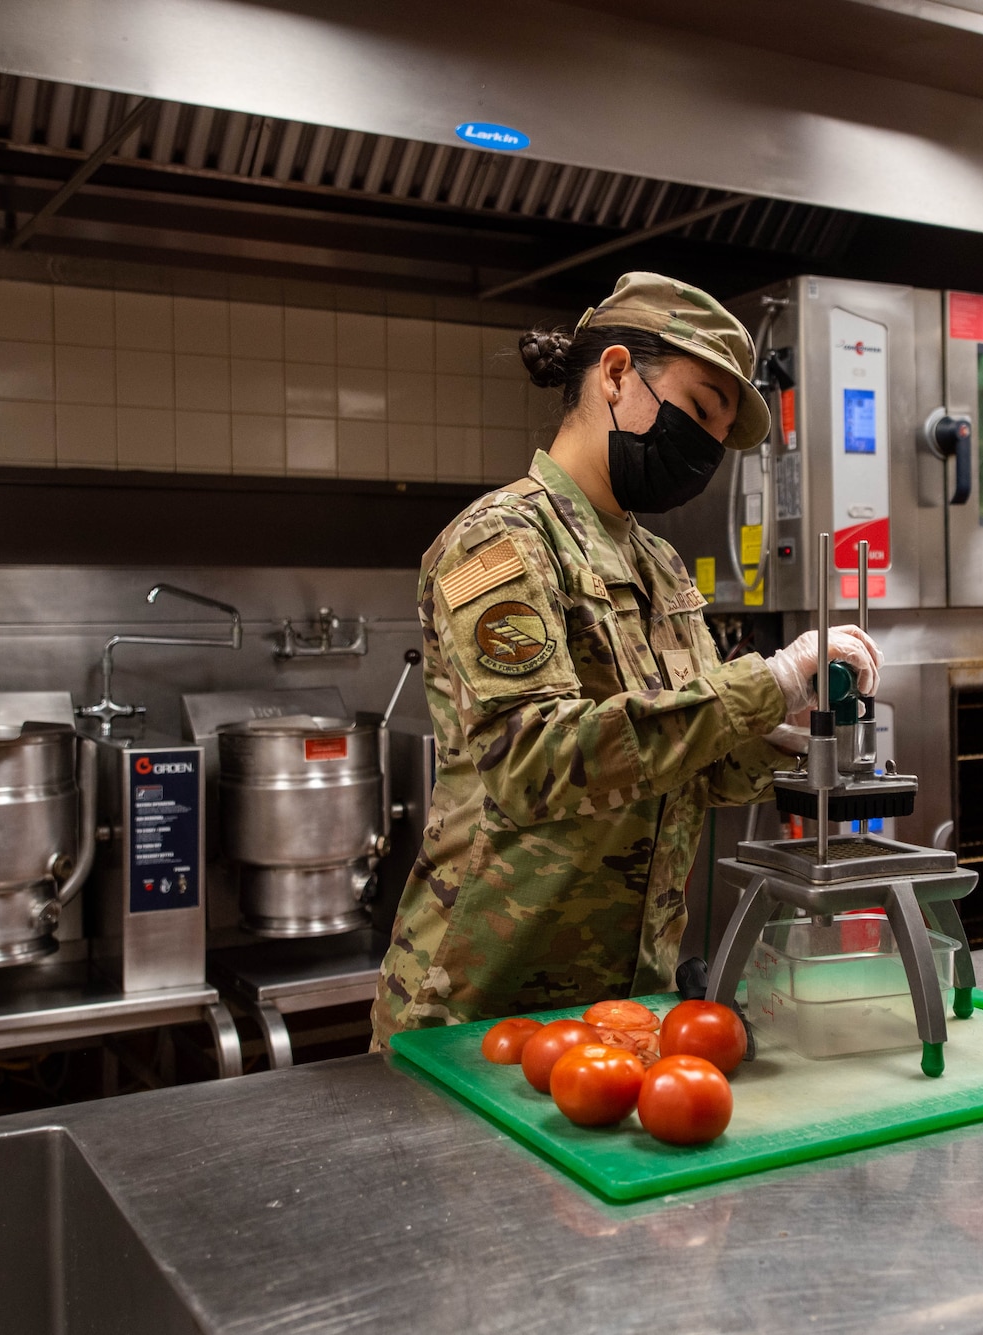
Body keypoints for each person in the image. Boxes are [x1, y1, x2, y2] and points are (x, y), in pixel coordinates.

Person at [370, 273, 882, 1043]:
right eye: (700, 409)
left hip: (626, 1005)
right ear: (614, 375)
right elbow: (530, 761)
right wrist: (765, 681)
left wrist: (786, 722)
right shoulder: (504, 540)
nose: (705, 447)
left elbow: (700, 769)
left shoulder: (662, 569)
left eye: (721, 433)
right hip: (482, 1006)